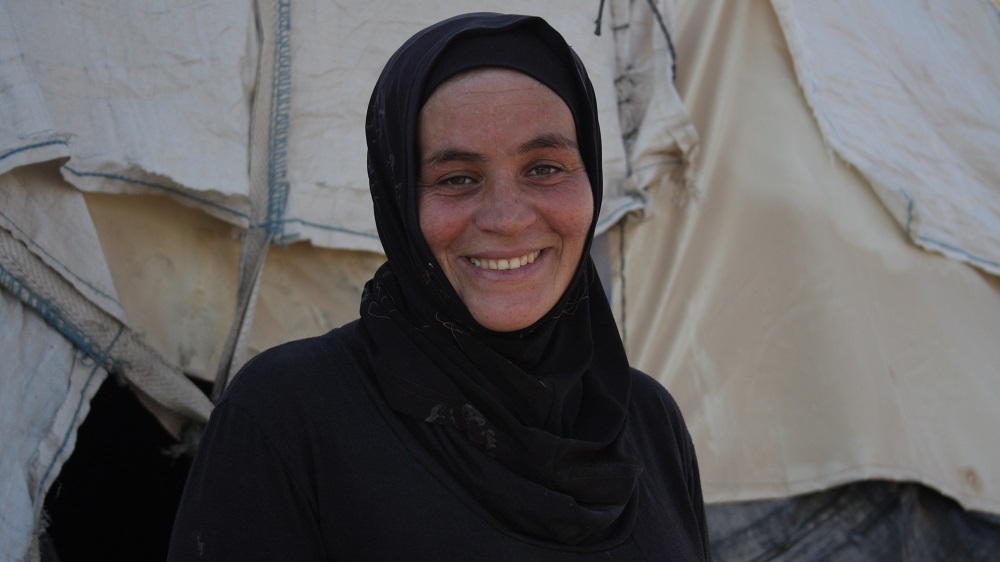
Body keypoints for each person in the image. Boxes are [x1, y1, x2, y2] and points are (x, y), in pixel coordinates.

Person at [167, 12, 711, 561]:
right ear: (399, 200)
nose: (507, 217)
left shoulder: (646, 420)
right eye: (457, 179)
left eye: (544, 168)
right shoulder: (290, 417)